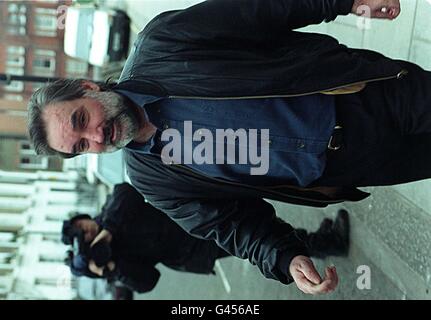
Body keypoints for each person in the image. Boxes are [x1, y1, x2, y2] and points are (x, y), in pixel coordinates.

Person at [27, 0, 422, 295]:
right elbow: (229, 224)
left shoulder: (162, 44)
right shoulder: (150, 180)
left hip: (362, 96)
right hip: (356, 166)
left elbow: (261, 11)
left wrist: (345, 2)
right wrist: (284, 257)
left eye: (81, 120)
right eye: (81, 146)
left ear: (88, 88)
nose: (96, 137)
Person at [62, 183, 349, 293]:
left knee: (258, 229)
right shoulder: (114, 265)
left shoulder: (109, 215)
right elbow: (147, 281)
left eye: (84, 228)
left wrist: (108, 231)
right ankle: (325, 243)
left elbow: (127, 191)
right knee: (253, 238)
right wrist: (108, 267)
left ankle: (321, 242)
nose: (89, 233)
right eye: (85, 237)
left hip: (194, 219)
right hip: (193, 250)